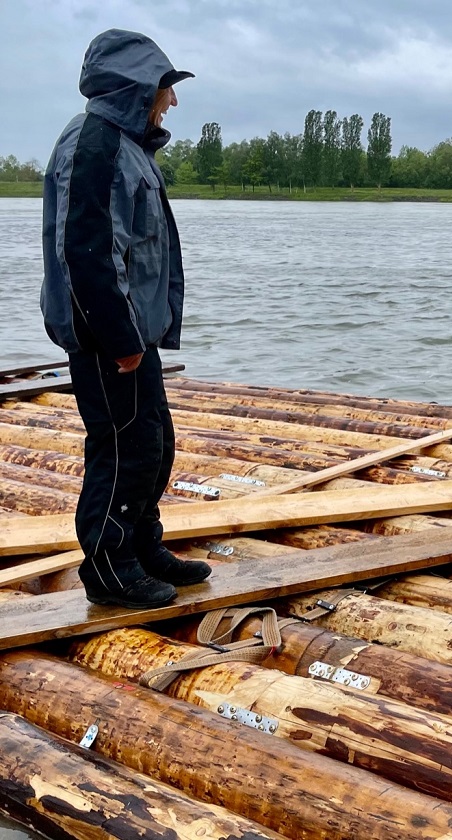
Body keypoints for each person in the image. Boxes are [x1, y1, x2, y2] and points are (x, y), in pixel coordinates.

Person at [41, 29, 211, 609]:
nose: (173, 100)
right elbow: (86, 252)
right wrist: (119, 337)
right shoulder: (95, 147)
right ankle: (109, 569)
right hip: (109, 336)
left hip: (134, 332)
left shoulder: (124, 142)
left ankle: (141, 545)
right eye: (167, 87)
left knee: (155, 443)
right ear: (138, 86)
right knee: (123, 450)